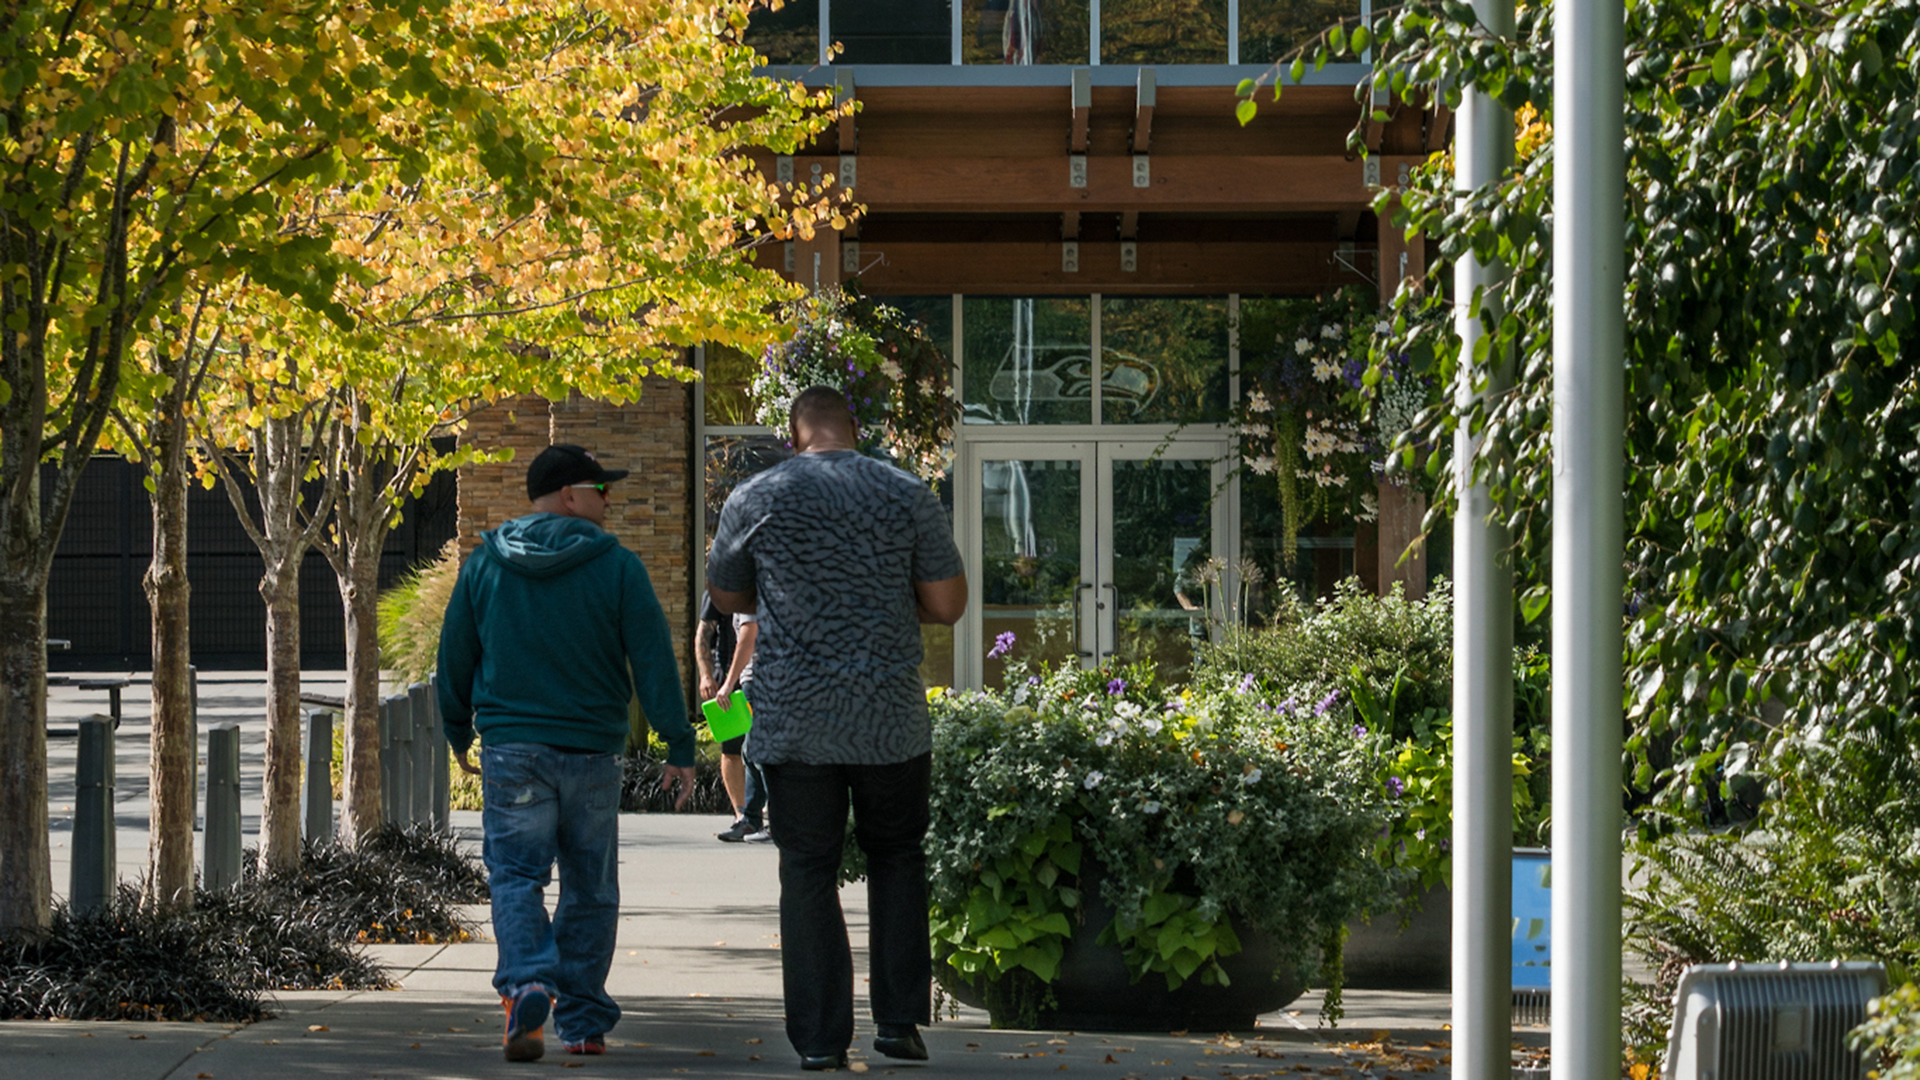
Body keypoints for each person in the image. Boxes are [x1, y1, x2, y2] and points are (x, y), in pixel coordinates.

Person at [707, 386, 966, 1072]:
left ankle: (821, 1041)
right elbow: (947, 605)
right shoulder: (906, 493)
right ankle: (900, 1022)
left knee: (808, 872)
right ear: (857, 429)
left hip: (797, 721)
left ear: (794, 437)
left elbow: (728, 596)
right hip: (889, 719)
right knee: (898, 858)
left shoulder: (754, 497)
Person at [437, 443, 696, 1063]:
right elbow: (654, 663)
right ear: (570, 497)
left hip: (513, 750)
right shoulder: (618, 568)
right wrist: (679, 745)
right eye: (601, 491)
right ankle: (580, 1023)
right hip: (590, 754)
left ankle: (527, 981)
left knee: (516, 876)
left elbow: (453, 658)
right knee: (589, 886)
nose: (610, 502)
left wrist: (457, 733)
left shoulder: (484, 566)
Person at [697, 589, 769, 842]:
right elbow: (703, 635)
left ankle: (770, 819)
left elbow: (747, 639)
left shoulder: (750, 590)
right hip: (748, 678)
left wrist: (729, 683)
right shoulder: (721, 593)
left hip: (757, 679)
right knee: (743, 749)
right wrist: (709, 675)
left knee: (756, 750)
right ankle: (749, 819)